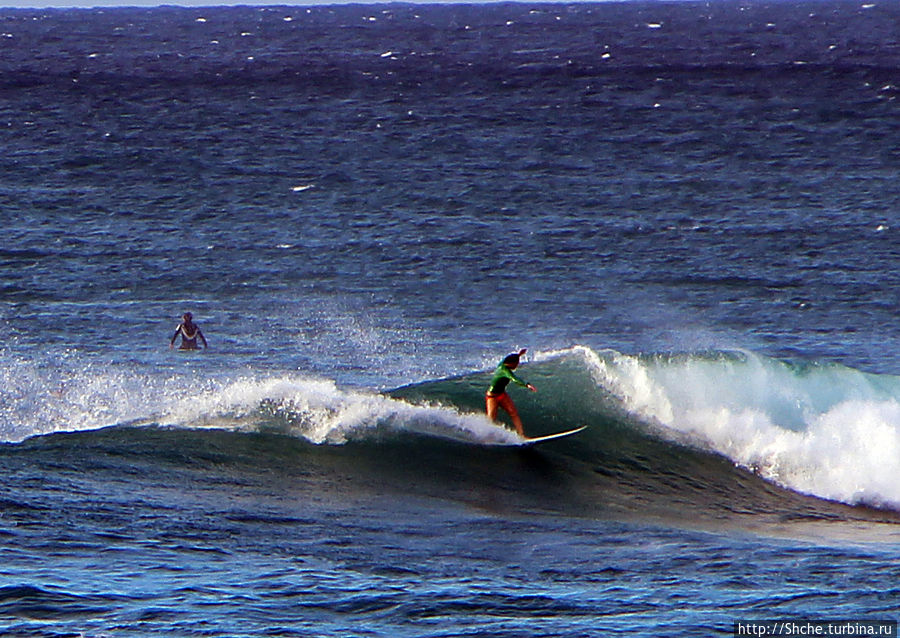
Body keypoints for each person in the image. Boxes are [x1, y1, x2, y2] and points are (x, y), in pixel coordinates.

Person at [485, 348, 536, 437]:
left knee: (513, 413)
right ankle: (487, 437)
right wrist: (526, 384)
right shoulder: (505, 371)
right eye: (516, 363)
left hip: (501, 394)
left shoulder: (503, 363)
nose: (517, 365)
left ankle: (521, 435)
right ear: (511, 364)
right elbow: (515, 379)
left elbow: (508, 359)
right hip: (492, 397)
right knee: (491, 419)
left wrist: (519, 355)